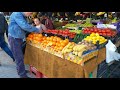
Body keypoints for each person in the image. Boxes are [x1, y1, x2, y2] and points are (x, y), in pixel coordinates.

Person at [8, 12, 42, 78]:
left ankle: (20, 70)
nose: (31, 14)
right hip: (14, 38)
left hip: (17, 38)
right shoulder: (17, 14)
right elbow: (24, 26)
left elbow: (25, 25)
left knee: (19, 56)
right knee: (19, 57)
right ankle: (22, 75)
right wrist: (36, 30)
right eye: (30, 13)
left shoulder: (22, 15)